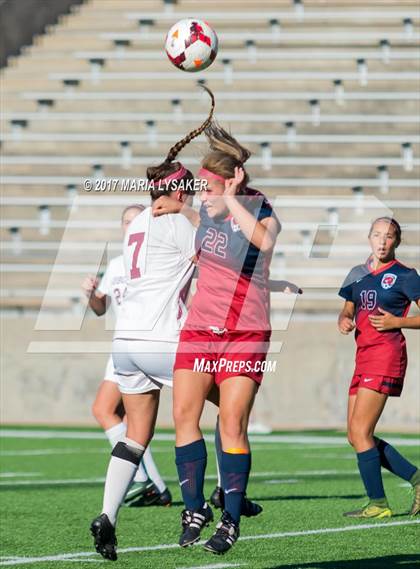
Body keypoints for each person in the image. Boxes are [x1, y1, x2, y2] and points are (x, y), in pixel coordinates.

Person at [89, 90, 218, 561]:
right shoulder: (177, 220)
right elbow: (217, 251)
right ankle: (217, 496)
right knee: (229, 399)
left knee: (135, 434)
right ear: (176, 190)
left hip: (125, 343)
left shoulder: (139, 220)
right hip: (164, 338)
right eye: (186, 189)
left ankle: (108, 515)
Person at [169, 120, 281, 554]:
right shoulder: (206, 213)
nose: (202, 194)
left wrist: (231, 198)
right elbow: (216, 242)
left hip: (244, 333)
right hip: (200, 329)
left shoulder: (260, 209)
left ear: (231, 184)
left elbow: (263, 244)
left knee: (232, 421)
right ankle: (194, 507)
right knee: (183, 414)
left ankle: (230, 520)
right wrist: (178, 206)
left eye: (208, 187)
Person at [81, 204, 171, 508]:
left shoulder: (153, 259)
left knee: (108, 411)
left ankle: (146, 480)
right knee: (113, 413)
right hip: (124, 347)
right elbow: (100, 308)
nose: (131, 226)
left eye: (137, 221)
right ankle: (153, 484)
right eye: (126, 222)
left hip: (142, 343)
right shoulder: (119, 263)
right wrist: (91, 293)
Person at [338, 216, 420, 519]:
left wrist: (398, 321)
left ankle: (378, 503)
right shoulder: (356, 274)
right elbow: (347, 308)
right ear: (369, 238)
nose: (382, 241)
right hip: (363, 356)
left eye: (389, 236)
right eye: (377, 235)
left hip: (386, 354)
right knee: (355, 434)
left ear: (396, 241)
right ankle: (416, 478)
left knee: (361, 431)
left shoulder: (406, 275)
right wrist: (344, 320)